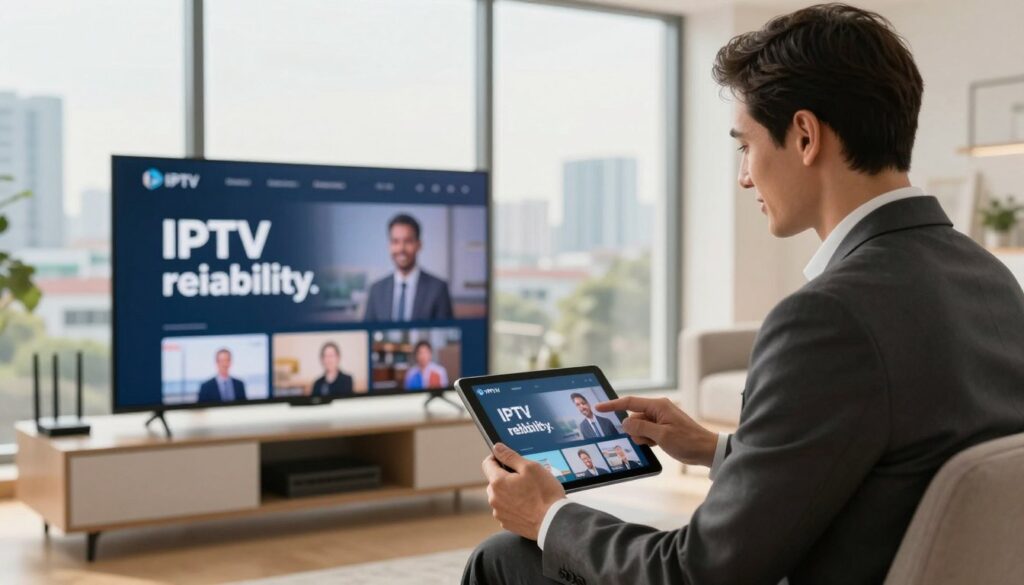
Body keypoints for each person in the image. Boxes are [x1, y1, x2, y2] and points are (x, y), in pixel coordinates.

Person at [464, 5, 1024, 585]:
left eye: (745, 145)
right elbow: (891, 466)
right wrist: (717, 449)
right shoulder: (989, 278)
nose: (745, 176)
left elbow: (697, 574)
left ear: (805, 136)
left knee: (505, 557)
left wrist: (549, 514)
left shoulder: (828, 318)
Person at [363, 214, 454, 322]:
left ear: (419, 245)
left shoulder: (438, 289)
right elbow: (367, 332)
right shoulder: (376, 290)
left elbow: (447, 332)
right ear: (389, 246)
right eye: (395, 242)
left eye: (408, 241)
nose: (401, 248)